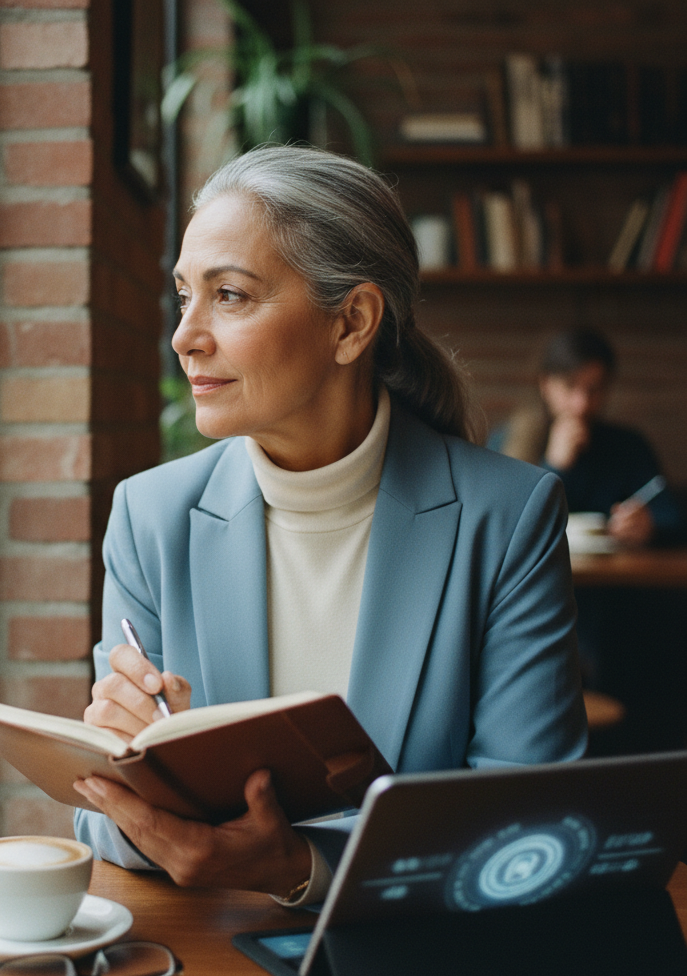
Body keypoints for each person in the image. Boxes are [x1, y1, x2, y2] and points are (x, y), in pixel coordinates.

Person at [72, 145, 587, 905]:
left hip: (430, 971)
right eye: (184, 296)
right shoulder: (151, 517)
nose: (185, 336)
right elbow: (101, 825)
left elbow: (529, 824)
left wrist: (299, 867)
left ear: (351, 323)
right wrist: (127, 767)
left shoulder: (506, 518)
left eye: (231, 296)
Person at [489, 329, 681, 547]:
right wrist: (555, 467)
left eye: (593, 389)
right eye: (570, 386)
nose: (581, 404)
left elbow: (671, 517)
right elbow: (501, 526)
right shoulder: (509, 441)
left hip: (613, 578)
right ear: (546, 385)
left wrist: (649, 525)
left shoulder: (628, 445)